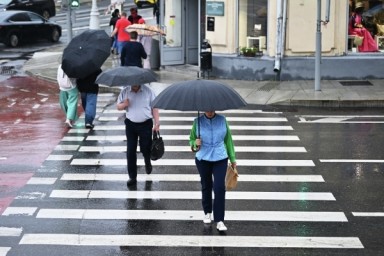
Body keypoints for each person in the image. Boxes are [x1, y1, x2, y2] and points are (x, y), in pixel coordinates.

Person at [189, 111, 237, 232]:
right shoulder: (197, 122)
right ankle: (207, 211)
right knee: (206, 185)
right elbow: (191, 140)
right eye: (207, 110)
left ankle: (220, 220)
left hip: (220, 157)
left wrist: (233, 159)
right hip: (203, 158)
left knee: (219, 187)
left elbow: (228, 140)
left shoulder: (222, 120)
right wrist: (195, 143)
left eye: (212, 109)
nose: (210, 112)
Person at [116, 84, 160, 187]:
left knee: (145, 147)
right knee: (131, 150)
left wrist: (157, 122)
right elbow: (118, 106)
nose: (135, 83)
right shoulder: (125, 91)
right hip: (131, 124)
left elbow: (154, 107)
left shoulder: (148, 91)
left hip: (145, 124)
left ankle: (147, 160)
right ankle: (132, 176)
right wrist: (124, 104)